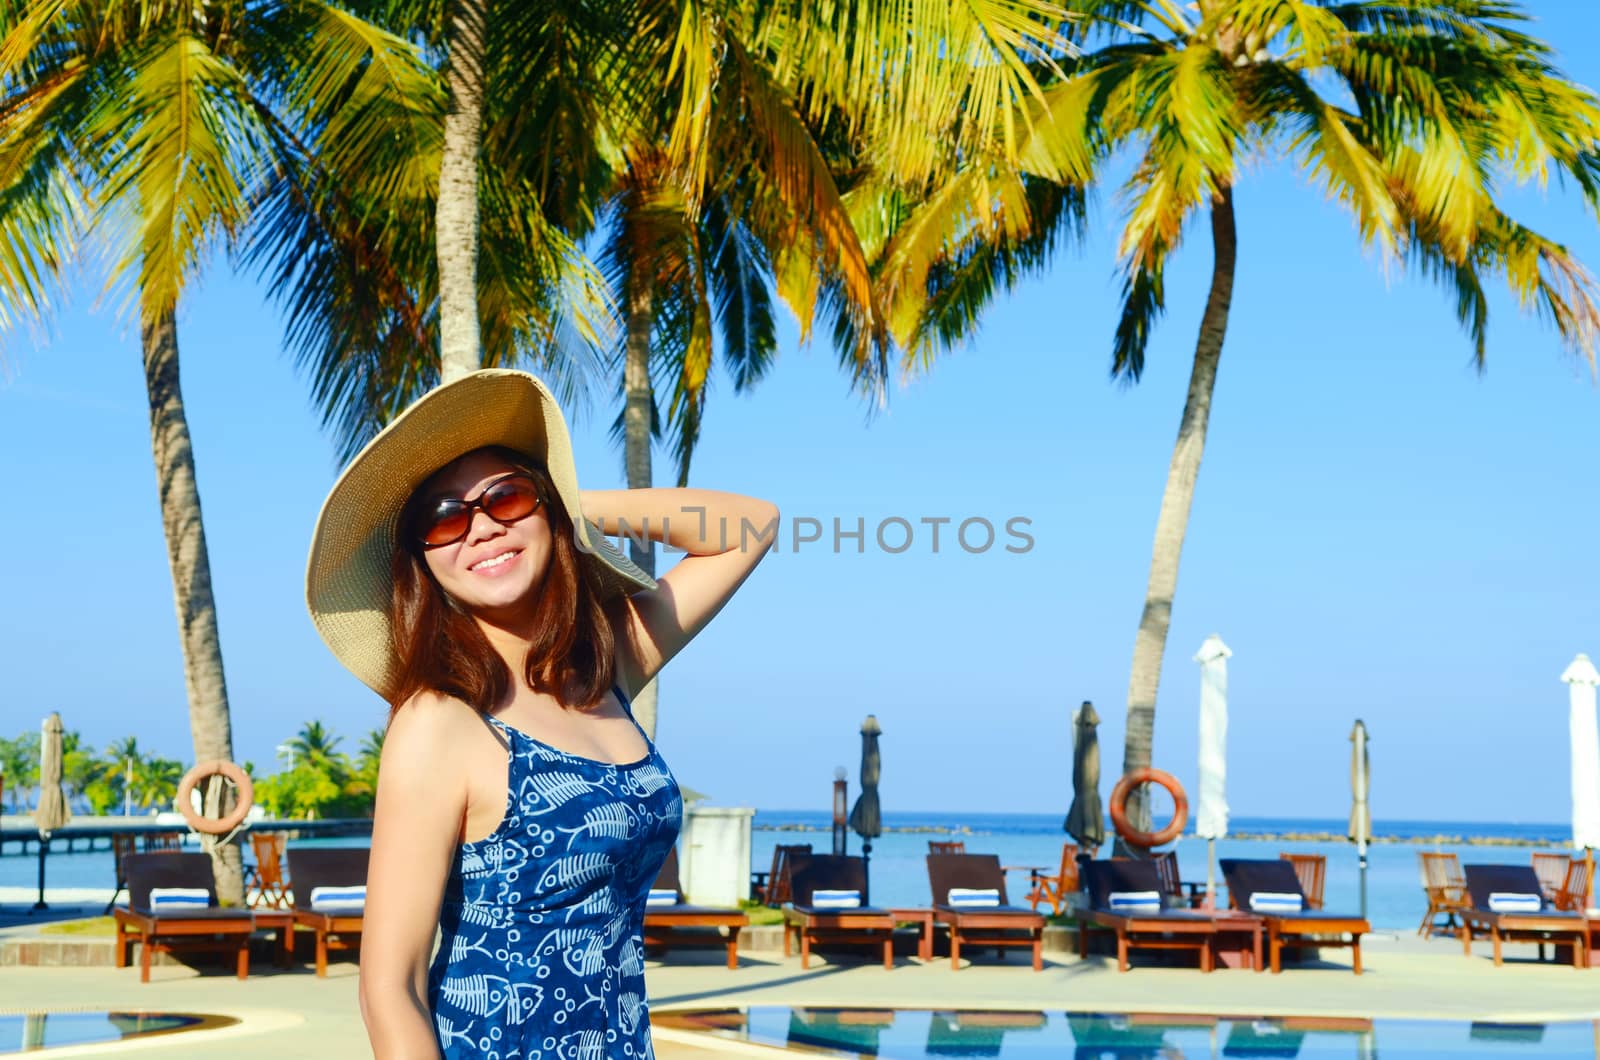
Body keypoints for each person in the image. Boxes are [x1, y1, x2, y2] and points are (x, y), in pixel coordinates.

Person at [304, 369, 777, 1059]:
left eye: (508, 496)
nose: (483, 527)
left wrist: (570, 499)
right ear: (423, 563)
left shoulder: (601, 667)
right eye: (445, 518)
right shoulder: (442, 721)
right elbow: (390, 984)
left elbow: (749, 526)